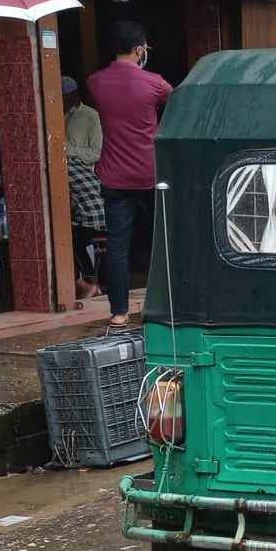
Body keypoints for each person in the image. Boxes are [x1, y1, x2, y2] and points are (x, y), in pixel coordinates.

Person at [89, 21, 171, 329]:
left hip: (114, 178)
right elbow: (176, 102)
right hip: (151, 175)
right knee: (162, 243)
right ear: (139, 49)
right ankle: (165, 307)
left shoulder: (96, 82)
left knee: (117, 247)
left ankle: (119, 312)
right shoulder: (154, 83)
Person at [63, 77, 104, 302]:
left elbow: (95, 154)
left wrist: (68, 151)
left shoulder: (90, 116)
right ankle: (85, 281)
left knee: (81, 230)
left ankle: (88, 281)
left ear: (74, 95)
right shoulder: (54, 115)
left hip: (83, 178)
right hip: (65, 179)